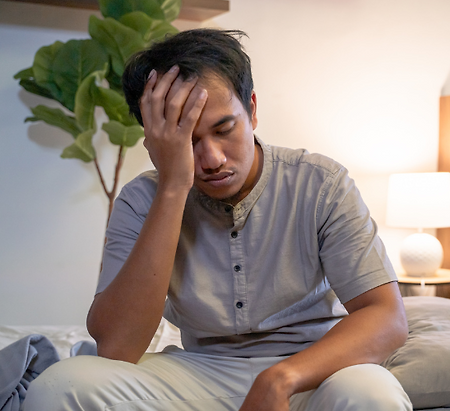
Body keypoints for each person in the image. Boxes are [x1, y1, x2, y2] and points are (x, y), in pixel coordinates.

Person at [23, 29, 412, 411]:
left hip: (314, 371)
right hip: (198, 372)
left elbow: (386, 316)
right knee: (58, 389)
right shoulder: (142, 200)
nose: (212, 159)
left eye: (224, 129)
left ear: (252, 110)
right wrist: (173, 186)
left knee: (373, 395)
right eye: (187, 140)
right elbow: (117, 346)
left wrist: (281, 378)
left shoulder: (321, 183)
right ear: (155, 139)